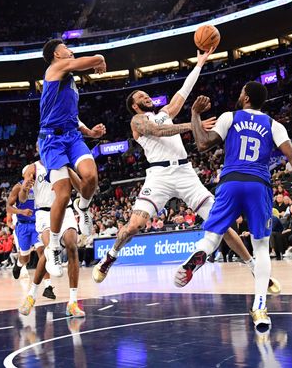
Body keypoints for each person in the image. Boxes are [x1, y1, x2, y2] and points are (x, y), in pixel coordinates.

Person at [93, 50, 279, 294]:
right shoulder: (137, 122)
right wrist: (194, 125)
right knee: (134, 226)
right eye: (141, 96)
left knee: (220, 224)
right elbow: (157, 132)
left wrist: (199, 63)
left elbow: (184, 91)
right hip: (158, 177)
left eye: (147, 94)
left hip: (184, 173)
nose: (146, 96)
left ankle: (255, 268)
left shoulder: (165, 113)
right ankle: (111, 255)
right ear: (135, 105)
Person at [174, 82, 292, 332]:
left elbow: (202, 144)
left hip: (230, 182)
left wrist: (195, 114)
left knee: (213, 236)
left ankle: (198, 256)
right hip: (258, 184)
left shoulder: (229, 117)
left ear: (245, 97)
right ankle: (260, 307)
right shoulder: (274, 125)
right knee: (261, 246)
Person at [39, 39, 107, 278]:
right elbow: (90, 61)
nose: (70, 49)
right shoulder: (55, 68)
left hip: (72, 136)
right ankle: (53, 247)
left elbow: (71, 115)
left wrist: (89, 132)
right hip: (51, 141)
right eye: (66, 47)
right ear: (57, 54)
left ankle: (84, 207)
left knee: (90, 177)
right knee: (64, 193)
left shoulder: (68, 80)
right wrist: (99, 59)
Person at [19, 159, 84, 318]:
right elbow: (21, 198)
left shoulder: (63, 162)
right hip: (44, 213)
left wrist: (70, 171)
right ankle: (31, 296)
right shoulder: (32, 167)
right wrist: (25, 188)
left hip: (65, 209)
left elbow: (80, 187)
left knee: (72, 245)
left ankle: (73, 302)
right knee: (48, 250)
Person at [7, 159, 56, 300]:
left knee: (43, 252)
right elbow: (8, 207)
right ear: (25, 175)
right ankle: (18, 263)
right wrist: (21, 212)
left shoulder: (40, 186)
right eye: (30, 175)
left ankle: (48, 286)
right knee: (25, 258)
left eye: (34, 175)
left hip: (37, 223)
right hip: (22, 225)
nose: (32, 177)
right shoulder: (18, 187)